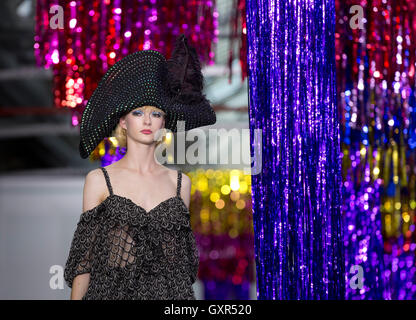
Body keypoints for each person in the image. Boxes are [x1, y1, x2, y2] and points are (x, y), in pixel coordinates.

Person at [63, 34, 216, 300]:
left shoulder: (180, 183)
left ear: (164, 122)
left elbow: (180, 269)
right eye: (137, 112)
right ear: (123, 121)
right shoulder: (99, 180)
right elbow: (84, 260)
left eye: (156, 113)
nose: (147, 120)